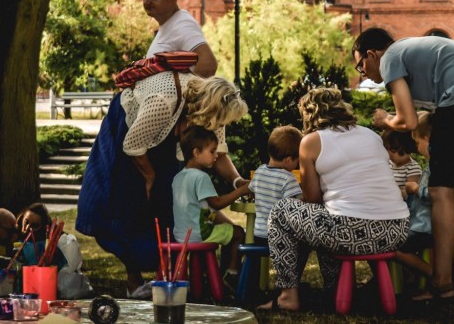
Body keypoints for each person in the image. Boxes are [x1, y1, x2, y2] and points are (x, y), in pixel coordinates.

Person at [356, 28, 454, 302]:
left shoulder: (390, 57)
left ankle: (441, 282)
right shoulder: (413, 51)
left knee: (440, 189)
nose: (363, 72)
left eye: (360, 65)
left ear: (371, 54)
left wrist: (384, 119)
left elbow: (408, 121)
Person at [76, 72, 249, 299]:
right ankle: (134, 280)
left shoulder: (213, 111)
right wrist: (149, 177)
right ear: (210, 109)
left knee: (165, 201)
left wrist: (238, 181)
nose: (223, 126)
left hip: (155, 136)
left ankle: (168, 274)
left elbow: (221, 151)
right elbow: (133, 145)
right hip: (126, 132)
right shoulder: (164, 100)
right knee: (124, 203)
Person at [258, 87, 409, 312]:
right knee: (329, 216)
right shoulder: (371, 135)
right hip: (395, 230)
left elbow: (312, 199)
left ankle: (288, 295)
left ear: (308, 114)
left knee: (282, 212)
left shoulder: (310, 141)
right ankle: (334, 289)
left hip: (350, 231)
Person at [173, 126, 252, 290]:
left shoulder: (178, 177)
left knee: (226, 228)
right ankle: (231, 274)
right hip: (199, 233)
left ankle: (210, 276)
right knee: (238, 233)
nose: (216, 156)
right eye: (212, 151)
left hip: (181, 234)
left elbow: (198, 209)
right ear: (196, 153)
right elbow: (216, 203)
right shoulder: (201, 177)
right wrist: (241, 190)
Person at [142, 0, 218, 78]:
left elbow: (208, 64)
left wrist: (184, 93)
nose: (146, 2)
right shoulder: (169, 24)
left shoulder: (182, 24)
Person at [16, 202, 92, 299]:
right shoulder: (16, 237)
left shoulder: (48, 245)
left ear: (44, 227)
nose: (27, 228)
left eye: (34, 226)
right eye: (26, 222)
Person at [394, 111, 435, 284]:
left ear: (427, 139)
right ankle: (418, 283)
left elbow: (436, 195)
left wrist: (416, 189)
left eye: (418, 142)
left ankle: (433, 276)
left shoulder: (435, 170)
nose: (417, 148)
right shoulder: (437, 166)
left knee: (396, 247)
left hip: (426, 227)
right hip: (427, 225)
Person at [249, 125, 304, 244]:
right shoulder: (288, 179)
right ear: (288, 160)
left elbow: (253, 193)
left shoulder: (259, 171)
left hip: (259, 235)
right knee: (304, 243)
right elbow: (296, 209)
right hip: (279, 238)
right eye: (297, 160)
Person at [382, 129, 422, 199]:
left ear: (406, 149)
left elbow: (411, 195)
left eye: (393, 150)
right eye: (386, 149)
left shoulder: (413, 168)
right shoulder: (387, 163)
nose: (389, 154)